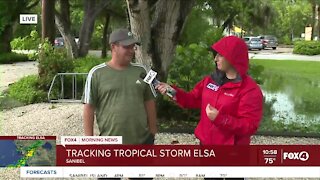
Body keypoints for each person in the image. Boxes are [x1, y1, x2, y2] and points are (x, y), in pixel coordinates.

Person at [156, 36, 263, 180]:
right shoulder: (210, 80)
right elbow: (192, 99)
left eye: (220, 55)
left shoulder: (249, 90)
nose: (215, 59)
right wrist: (173, 92)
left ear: (233, 57)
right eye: (216, 54)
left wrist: (221, 119)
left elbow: (249, 126)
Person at [82, 28, 157, 145]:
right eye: (126, 47)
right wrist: (89, 141)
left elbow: (149, 101)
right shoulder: (96, 73)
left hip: (142, 142)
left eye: (133, 47)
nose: (131, 51)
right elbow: (89, 107)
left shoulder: (141, 71)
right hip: (110, 144)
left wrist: (152, 132)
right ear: (113, 47)